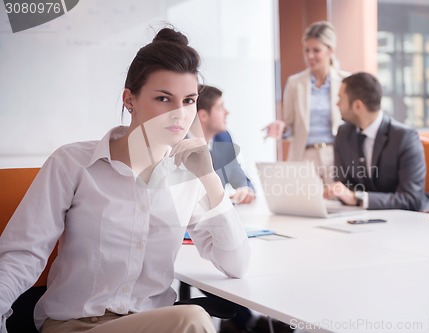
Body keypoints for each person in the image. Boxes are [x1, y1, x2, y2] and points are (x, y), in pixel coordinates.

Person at [0, 27, 250, 333]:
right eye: (163, 98)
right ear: (129, 100)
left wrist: (209, 177)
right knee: (193, 319)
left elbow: (235, 264)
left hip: (152, 324)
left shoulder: (187, 178)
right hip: (76, 326)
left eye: (188, 101)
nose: (179, 114)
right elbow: (24, 254)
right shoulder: (72, 164)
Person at [323, 72, 429, 211]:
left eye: (340, 99)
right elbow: (344, 184)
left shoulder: (405, 137)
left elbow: (411, 199)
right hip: (362, 217)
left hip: (405, 220)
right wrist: (341, 192)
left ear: (357, 106)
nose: (337, 104)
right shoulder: (343, 134)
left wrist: (359, 198)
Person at [264, 21, 349, 183]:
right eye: (307, 50)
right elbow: (290, 125)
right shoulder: (295, 83)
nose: (310, 56)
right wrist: (282, 128)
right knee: (303, 206)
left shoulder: (346, 81)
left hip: (337, 156)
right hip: (304, 156)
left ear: (330, 50)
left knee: (339, 204)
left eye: (316, 50)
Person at [197, 85, 255, 204]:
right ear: (203, 115)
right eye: (220, 107)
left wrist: (246, 190)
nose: (227, 112)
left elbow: (241, 178)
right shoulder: (181, 148)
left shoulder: (222, 138)